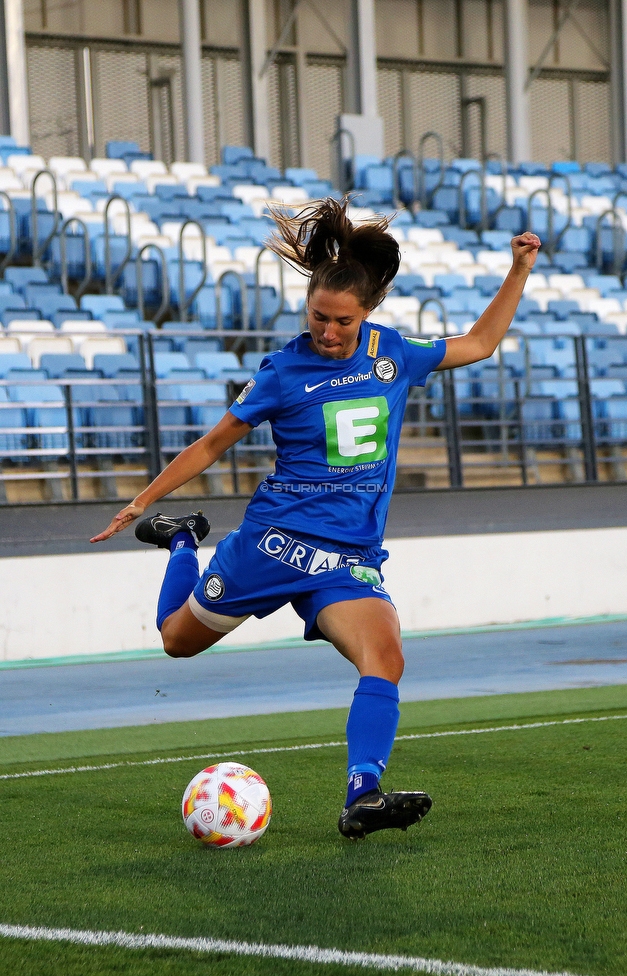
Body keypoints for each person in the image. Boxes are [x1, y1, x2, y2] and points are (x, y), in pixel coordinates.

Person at [92, 199, 541, 840]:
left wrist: (518, 271)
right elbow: (213, 444)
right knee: (176, 640)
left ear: (368, 314)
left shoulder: (393, 355)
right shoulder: (281, 370)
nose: (329, 332)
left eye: (342, 321)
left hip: (349, 555)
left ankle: (363, 794)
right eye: (319, 318)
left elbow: (480, 343)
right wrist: (145, 499)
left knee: (384, 657)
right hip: (273, 544)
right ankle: (184, 543)